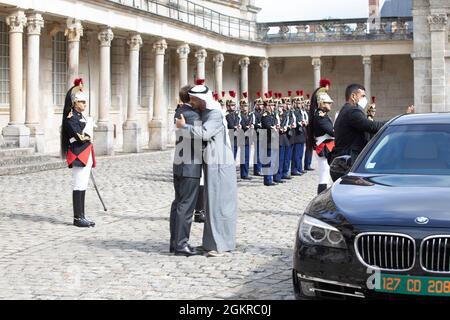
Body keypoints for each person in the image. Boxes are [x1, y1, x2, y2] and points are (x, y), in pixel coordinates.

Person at [176, 84, 238, 258]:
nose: (191, 102)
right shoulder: (205, 112)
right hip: (211, 163)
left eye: (194, 99)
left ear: (202, 100)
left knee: (219, 205)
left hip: (220, 164)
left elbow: (204, 133)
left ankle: (220, 245)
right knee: (210, 205)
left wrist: (183, 127)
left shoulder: (215, 114)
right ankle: (211, 243)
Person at [333, 84, 414, 164]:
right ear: (353, 96)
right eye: (363, 96)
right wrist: (397, 121)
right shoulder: (352, 111)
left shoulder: (346, 110)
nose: (365, 99)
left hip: (345, 158)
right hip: (349, 160)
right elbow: (373, 127)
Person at [170, 84, 203, 256]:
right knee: (186, 206)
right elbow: (201, 138)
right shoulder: (193, 115)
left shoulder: (180, 111)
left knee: (178, 204)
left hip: (180, 163)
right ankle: (181, 244)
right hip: (190, 165)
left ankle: (174, 242)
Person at [61, 78, 96, 228]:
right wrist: (88, 126)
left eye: (85, 102)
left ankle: (82, 215)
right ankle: (77, 217)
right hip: (78, 153)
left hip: (86, 153)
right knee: (78, 185)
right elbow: (80, 137)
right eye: (82, 102)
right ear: (74, 103)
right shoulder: (71, 118)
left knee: (83, 185)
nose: (84, 104)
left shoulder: (81, 117)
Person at [308, 88, 335, 194]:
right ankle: (320, 201)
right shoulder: (320, 116)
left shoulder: (322, 115)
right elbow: (331, 132)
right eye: (328, 103)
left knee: (326, 176)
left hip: (326, 146)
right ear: (322, 104)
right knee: (324, 177)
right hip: (323, 147)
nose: (330, 105)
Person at [238, 93, 252, 180]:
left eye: (246, 106)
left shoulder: (250, 115)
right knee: (243, 157)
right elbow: (241, 125)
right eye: (243, 106)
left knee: (247, 156)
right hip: (242, 137)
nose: (245, 108)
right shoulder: (240, 115)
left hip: (248, 137)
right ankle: (243, 173)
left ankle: (245, 173)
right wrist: (247, 127)